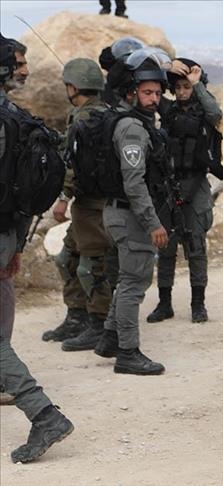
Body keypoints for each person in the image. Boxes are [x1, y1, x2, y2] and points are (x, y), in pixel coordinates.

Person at [0, 33, 75, 464]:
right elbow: (19, 194)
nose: (25, 70)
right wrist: (15, 245)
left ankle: (44, 415)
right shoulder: (18, 119)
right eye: (19, 63)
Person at [92, 49, 171, 375]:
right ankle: (128, 352)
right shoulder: (132, 129)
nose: (154, 99)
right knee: (133, 285)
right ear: (130, 93)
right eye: (147, 93)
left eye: (157, 93)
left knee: (128, 279)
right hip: (129, 215)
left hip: (121, 213)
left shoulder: (132, 122)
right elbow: (134, 182)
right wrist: (153, 224)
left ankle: (110, 338)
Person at [146, 58, 223, 324]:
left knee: (196, 246)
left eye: (186, 87)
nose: (181, 92)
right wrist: (166, 69)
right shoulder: (168, 110)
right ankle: (164, 303)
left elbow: (215, 113)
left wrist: (196, 83)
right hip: (170, 185)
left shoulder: (205, 112)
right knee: (165, 246)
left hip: (196, 185)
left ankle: (198, 304)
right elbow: (148, 93)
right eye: (177, 87)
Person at [47, 58, 116, 352]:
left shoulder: (85, 120)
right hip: (89, 205)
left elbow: (73, 164)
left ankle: (99, 324)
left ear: (73, 87)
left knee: (92, 267)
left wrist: (63, 198)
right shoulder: (102, 114)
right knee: (67, 259)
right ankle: (77, 317)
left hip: (94, 206)